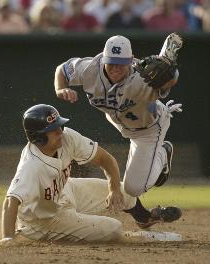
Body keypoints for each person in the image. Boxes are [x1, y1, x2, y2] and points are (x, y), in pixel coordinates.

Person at [0, 104, 181, 246]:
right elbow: (11, 201)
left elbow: (105, 159)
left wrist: (114, 189)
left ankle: (145, 218)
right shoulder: (31, 166)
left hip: (65, 190)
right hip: (44, 220)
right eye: (53, 130)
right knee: (113, 228)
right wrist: (7, 238)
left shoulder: (67, 137)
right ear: (38, 137)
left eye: (59, 126)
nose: (60, 131)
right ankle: (135, 237)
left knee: (125, 191)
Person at [54, 34, 183, 227]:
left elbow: (170, 79)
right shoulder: (90, 68)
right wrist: (60, 89)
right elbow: (61, 70)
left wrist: (170, 72)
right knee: (133, 185)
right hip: (121, 123)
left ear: (131, 61)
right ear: (103, 59)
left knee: (134, 188)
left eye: (121, 64)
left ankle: (163, 153)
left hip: (149, 128)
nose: (115, 68)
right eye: (111, 63)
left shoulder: (144, 75)